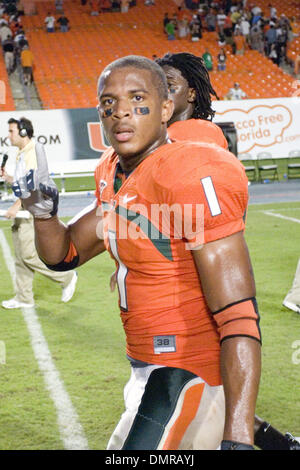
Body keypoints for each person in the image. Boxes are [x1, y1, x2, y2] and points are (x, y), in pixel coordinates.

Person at [13, 55, 262, 450]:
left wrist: (240, 437)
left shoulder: (191, 169)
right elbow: (65, 254)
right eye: (109, 102)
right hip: (144, 369)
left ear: (166, 109)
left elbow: (240, 317)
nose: (121, 111)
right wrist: (43, 214)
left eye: (137, 98)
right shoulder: (113, 170)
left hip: (187, 372)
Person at [153, 51, 300, 451]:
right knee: (209, 393)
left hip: (197, 283)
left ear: (194, 96)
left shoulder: (195, 135)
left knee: (184, 396)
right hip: (188, 272)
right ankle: (277, 443)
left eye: (169, 84)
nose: (158, 92)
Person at [1, 117, 78, 310]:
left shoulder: (32, 152)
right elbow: (21, 182)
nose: (8, 135)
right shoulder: (21, 153)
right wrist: (9, 178)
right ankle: (24, 297)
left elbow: (32, 185)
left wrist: (16, 206)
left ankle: (66, 276)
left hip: (31, 211)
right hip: (25, 211)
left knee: (28, 255)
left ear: (23, 132)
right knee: (20, 257)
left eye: (11, 131)